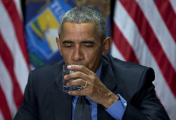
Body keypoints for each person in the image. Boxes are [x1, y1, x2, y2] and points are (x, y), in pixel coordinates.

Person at [14, 6, 169, 120]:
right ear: (59, 46)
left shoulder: (136, 79)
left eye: (87, 45)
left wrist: (107, 98)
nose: (76, 56)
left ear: (105, 46)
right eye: (68, 46)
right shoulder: (40, 80)